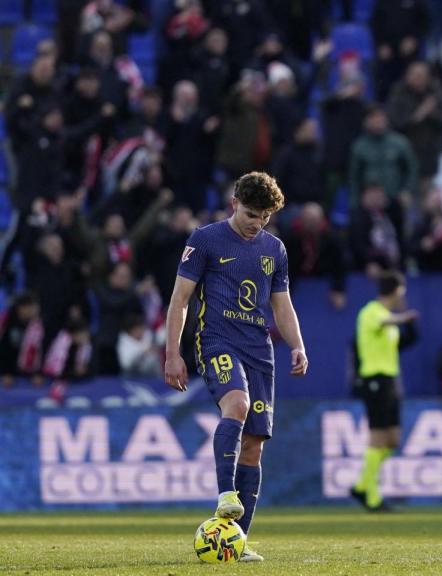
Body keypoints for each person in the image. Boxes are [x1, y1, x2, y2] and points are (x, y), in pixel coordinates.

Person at [163, 172, 309, 562]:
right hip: (216, 340)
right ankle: (226, 494)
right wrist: (172, 353)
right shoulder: (205, 239)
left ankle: (236, 541)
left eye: (263, 216)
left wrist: (297, 345)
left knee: (254, 445)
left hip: (259, 350)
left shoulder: (274, 249)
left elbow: (282, 304)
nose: (255, 223)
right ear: (234, 204)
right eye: (249, 213)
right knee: (237, 406)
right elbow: (180, 299)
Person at [351, 271, 419, 512]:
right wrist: (404, 318)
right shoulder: (371, 312)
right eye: (402, 291)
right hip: (374, 379)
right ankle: (372, 496)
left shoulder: (390, 317)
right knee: (378, 437)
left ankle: (361, 485)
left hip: (389, 381)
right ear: (396, 291)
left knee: (393, 439)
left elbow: (400, 342)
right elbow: (383, 323)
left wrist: (406, 324)